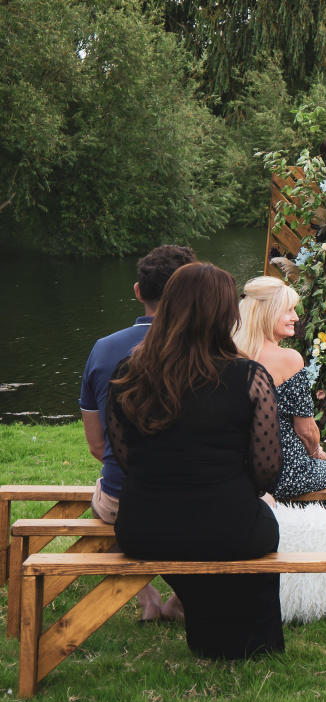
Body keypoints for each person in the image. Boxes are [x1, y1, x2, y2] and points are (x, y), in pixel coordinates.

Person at [104, 262, 284, 660]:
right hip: (229, 528)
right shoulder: (249, 375)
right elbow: (267, 469)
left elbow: (123, 456)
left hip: (144, 527)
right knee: (262, 517)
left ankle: (203, 617)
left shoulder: (128, 372)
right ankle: (251, 638)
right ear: (226, 316)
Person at [79, 243, 195, 622]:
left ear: (138, 291)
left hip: (121, 498)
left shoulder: (103, 349)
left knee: (109, 499)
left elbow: (98, 445)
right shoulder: (208, 351)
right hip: (193, 500)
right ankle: (180, 598)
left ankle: (146, 597)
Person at [235, 276, 326, 500]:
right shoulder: (288, 358)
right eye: (288, 310)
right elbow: (305, 430)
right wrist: (316, 453)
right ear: (268, 313)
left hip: (242, 472)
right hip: (285, 472)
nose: (295, 317)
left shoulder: (232, 354)